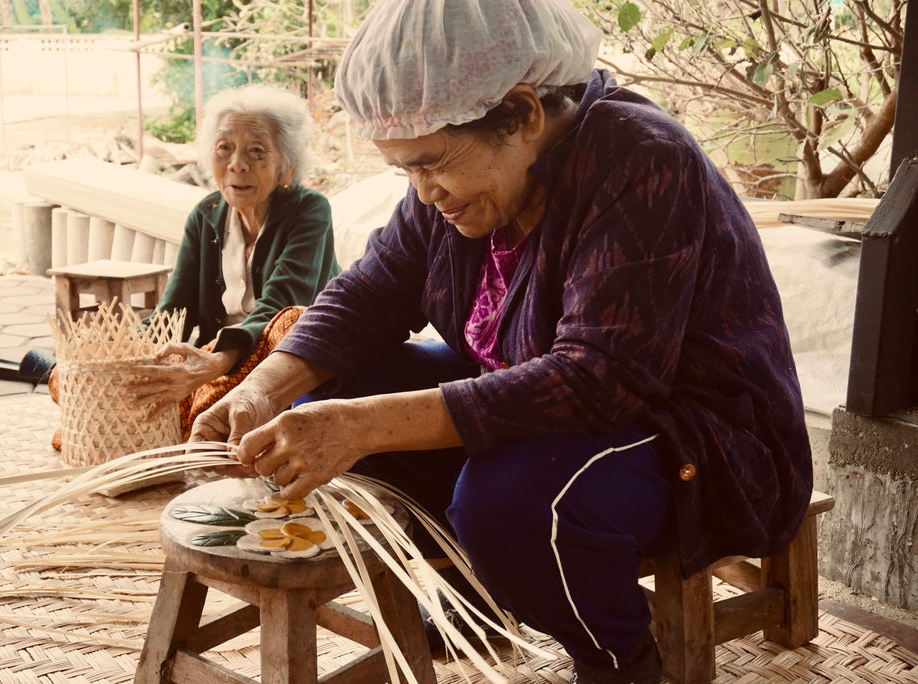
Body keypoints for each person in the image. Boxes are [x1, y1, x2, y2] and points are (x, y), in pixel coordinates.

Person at [190, 2, 813, 682]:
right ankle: (474, 587)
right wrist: (261, 387)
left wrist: (359, 426)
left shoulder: (643, 161)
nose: (425, 195)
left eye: (431, 165)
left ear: (521, 113)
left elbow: (602, 379)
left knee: (509, 506)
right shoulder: (454, 185)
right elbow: (368, 294)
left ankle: (621, 659)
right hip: (553, 412)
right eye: (407, 172)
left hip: (693, 433)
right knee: (335, 381)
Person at [50, 84, 340, 446]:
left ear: (286, 167)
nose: (237, 164)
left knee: (293, 320)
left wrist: (215, 363)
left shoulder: (310, 211)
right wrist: (119, 355)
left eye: (256, 151)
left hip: (282, 364)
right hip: (214, 363)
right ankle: (185, 418)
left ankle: (199, 420)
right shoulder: (206, 215)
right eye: (224, 148)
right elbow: (174, 311)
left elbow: (280, 305)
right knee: (79, 378)